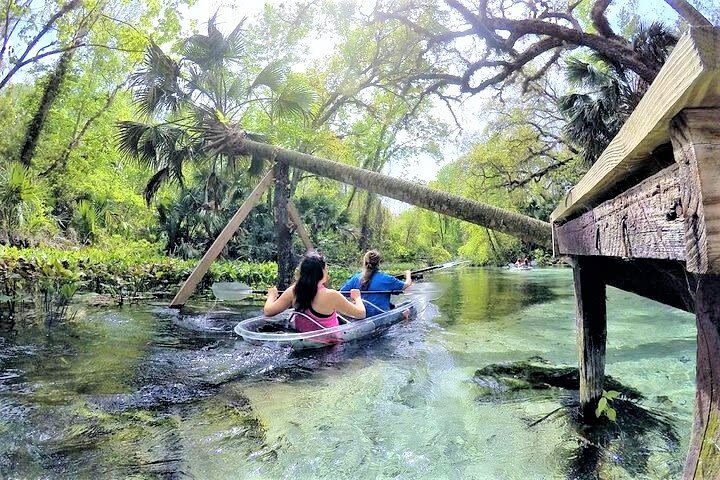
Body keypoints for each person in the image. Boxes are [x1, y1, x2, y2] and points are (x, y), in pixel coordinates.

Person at [263, 253, 366, 333]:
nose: (327, 271)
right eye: (326, 269)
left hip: (301, 344)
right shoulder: (332, 295)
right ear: (321, 272)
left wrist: (271, 296)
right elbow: (361, 314)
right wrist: (357, 298)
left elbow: (268, 311)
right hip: (329, 347)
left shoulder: (293, 291)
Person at [340, 250, 412, 317]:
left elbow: (342, 293)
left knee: (394, 306)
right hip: (381, 316)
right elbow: (406, 285)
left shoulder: (356, 278)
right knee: (409, 305)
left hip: (361, 316)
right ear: (379, 263)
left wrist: (352, 300)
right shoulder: (386, 279)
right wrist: (408, 274)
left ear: (364, 263)